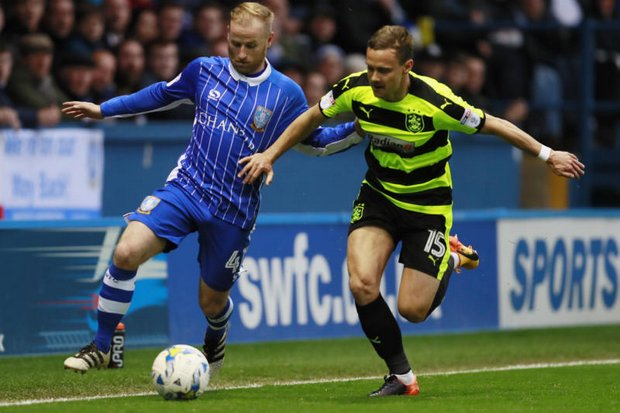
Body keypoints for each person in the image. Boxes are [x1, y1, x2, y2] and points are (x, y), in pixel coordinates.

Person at [237, 25, 585, 396]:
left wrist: (548, 155)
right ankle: (401, 376)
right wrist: (269, 154)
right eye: (370, 67)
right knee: (361, 283)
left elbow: (494, 124)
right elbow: (311, 118)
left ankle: (450, 257)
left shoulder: (436, 102)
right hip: (379, 198)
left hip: (427, 208)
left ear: (407, 67)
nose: (374, 78)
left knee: (413, 310)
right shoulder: (355, 89)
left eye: (383, 70)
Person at [61, 2, 360, 377]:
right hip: (186, 188)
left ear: (270, 40)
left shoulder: (286, 94)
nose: (241, 53)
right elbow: (158, 94)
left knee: (211, 301)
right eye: (235, 43)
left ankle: (217, 332)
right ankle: (101, 346)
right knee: (126, 251)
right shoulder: (204, 71)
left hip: (232, 211)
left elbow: (315, 140)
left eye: (251, 45)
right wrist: (104, 109)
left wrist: (357, 130)